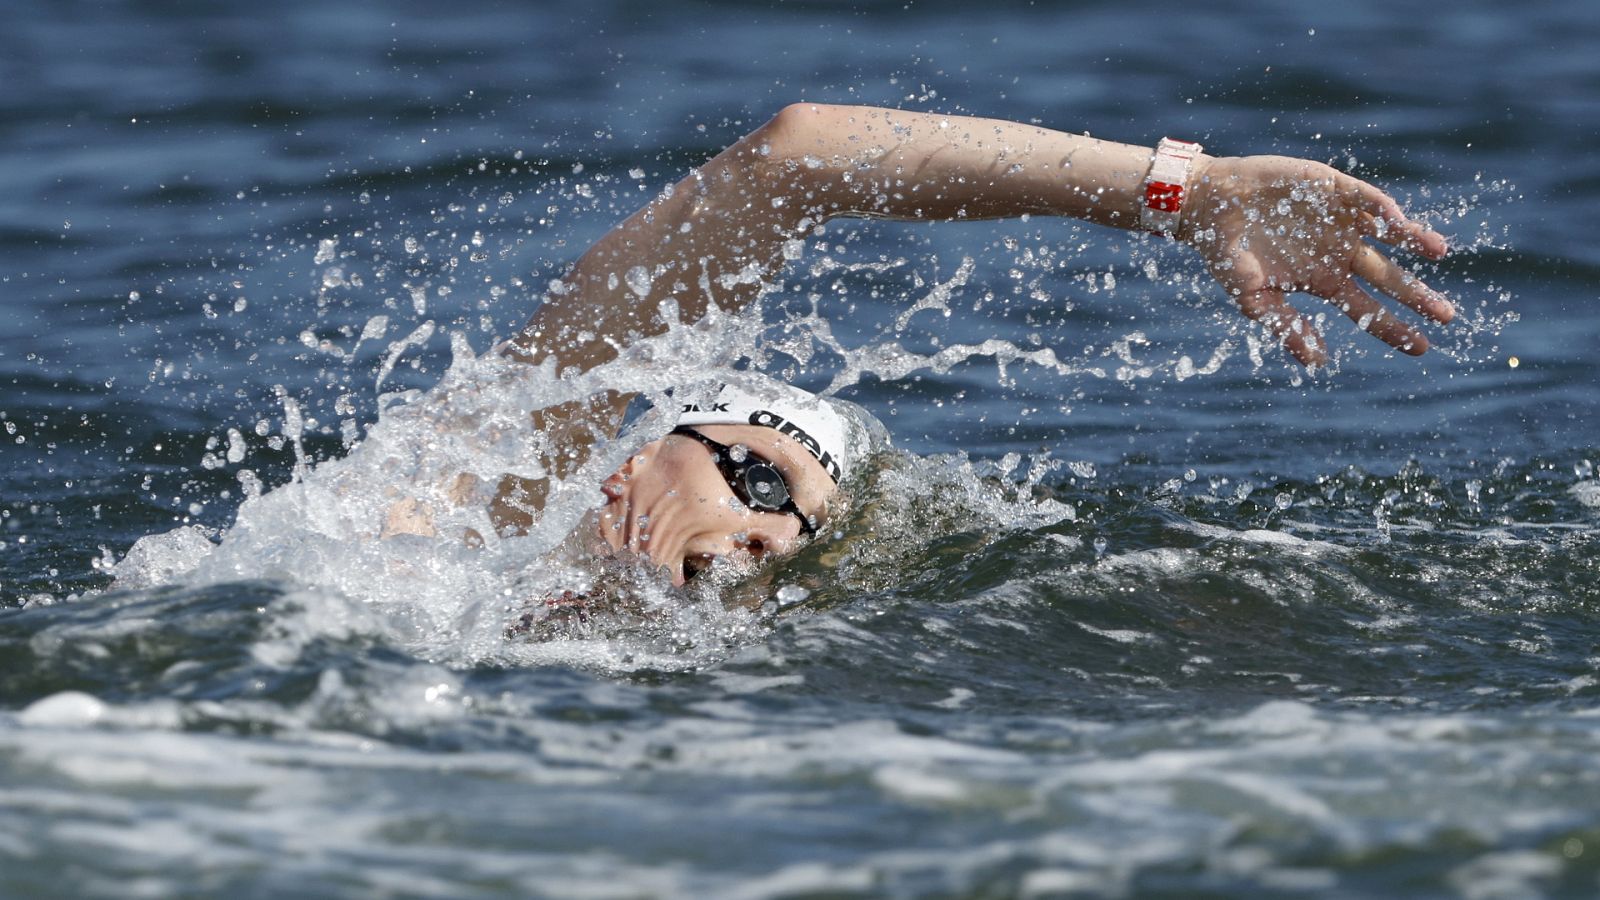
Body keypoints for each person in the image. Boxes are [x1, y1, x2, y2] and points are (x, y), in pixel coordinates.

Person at [398, 102, 1453, 594]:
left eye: (801, 522)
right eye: (762, 479)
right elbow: (793, 161)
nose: (773, 532)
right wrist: (1183, 193)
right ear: (634, 462)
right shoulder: (455, 508)